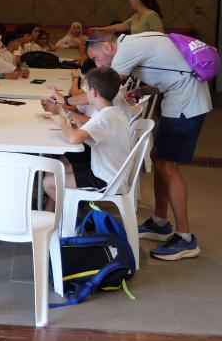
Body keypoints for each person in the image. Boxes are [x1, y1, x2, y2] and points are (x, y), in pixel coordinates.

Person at [85, 30, 211, 260]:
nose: (97, 64)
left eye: (96, 58)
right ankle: (160, 222)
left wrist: (65, 102)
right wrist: (143, 90)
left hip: (186, 105)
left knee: (167, 166)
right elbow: (173, 71)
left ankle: (185, 238)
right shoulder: (135, 42)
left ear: (107, 47)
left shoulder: (124, 52)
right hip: (181, 100)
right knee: (159, 158)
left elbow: (102, 92)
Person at [43, 67, 132, 212]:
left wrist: (61, 124)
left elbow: (74, 138)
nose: (85, 94)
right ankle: (53, 213)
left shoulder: (103, 118)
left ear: (94, 92)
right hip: (107, 171)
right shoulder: (114, 113)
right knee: (55, 169)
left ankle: (72, 217)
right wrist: (72, 123)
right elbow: (94, 136)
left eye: (87, 89)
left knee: (49, 182)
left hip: (107, 180)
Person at [92, 0, 164, 35]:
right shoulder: (135, 16)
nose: (130, 1)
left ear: (138, 0)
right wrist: (100, 29)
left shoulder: (151, 15)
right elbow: (119, 26)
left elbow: (161, 35)